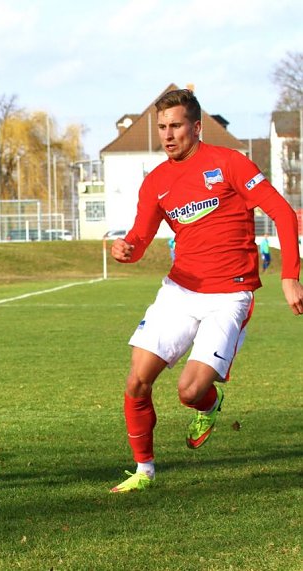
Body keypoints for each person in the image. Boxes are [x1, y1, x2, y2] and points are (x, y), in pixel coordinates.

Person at [108, 89, 303, 493]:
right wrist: (126, 249)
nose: (167, 134)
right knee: (136, 382)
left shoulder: (229, 163)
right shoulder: (156, 182)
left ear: (196, 127)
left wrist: (289, 276)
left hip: (229, 295)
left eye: (176, 125)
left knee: (190, 390)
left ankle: (209, 405)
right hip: (179, 291)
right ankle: (143, 471)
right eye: (161, 127)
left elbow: (282, 212)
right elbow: (141, 236)